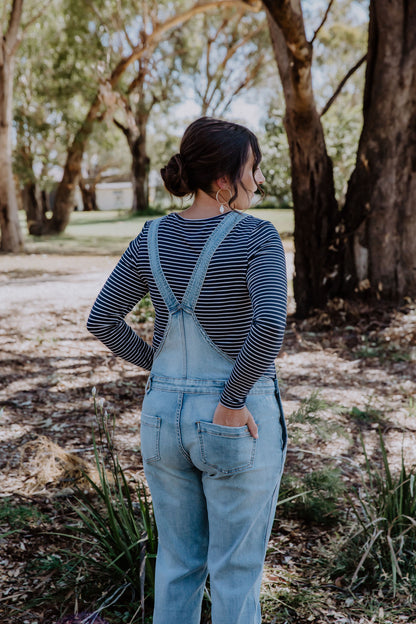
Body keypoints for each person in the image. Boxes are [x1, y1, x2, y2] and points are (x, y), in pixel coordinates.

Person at [87, 117, 288, 624]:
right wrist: (231, 400)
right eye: (253, 170)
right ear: (223, 181)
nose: (259, 181)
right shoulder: (257, 236)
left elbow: (102, 319)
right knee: (236, 574)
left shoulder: (152, 235)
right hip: (231, 420)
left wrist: (161, 371)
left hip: (161, 420)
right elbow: (268, 327)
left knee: (177, 565)